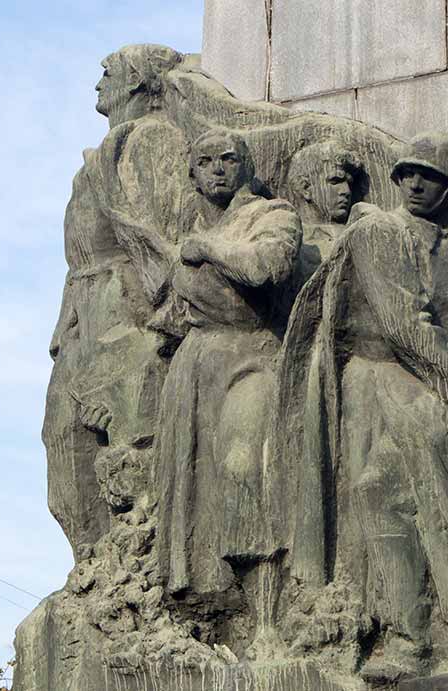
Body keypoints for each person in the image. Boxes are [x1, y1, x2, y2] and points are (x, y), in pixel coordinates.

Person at [276, 132, 448, 681]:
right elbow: (406, 327)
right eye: (407, 173)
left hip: (433, 391)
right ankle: (407, 631)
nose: (415, 183)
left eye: (429, 176)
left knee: (399, 490)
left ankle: (427, 627)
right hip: (382, 383)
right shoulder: (378, 233)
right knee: (377, 492)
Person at [45, 44, 189, 556]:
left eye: (111, 69)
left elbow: (167, 234)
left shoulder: (152, 141)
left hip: (126, 316)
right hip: (85, 317)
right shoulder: (98, 158)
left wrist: (153, 331)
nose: (99, 78)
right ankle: (92, 569)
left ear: (137, 83)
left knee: (122, 448)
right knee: (61, 442)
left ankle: (127, 563)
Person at [153, 128, 301, 603]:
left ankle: (265, 616)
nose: (217, 168)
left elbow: (268, 268)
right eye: (206, 161)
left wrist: (209, 251)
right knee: (192, 491)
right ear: (192, 175)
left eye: (228, 159)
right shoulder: (192, 233)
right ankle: (207, 605)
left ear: (247, 167)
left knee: (246, 474)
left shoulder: (272, 213)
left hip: (251, 357)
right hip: (196, 367)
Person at [286, 140, 371, 279]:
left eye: (349, 183)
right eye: (335, 182)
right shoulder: (290, 239)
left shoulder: (361, 233)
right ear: (306, 188)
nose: (346, 191)